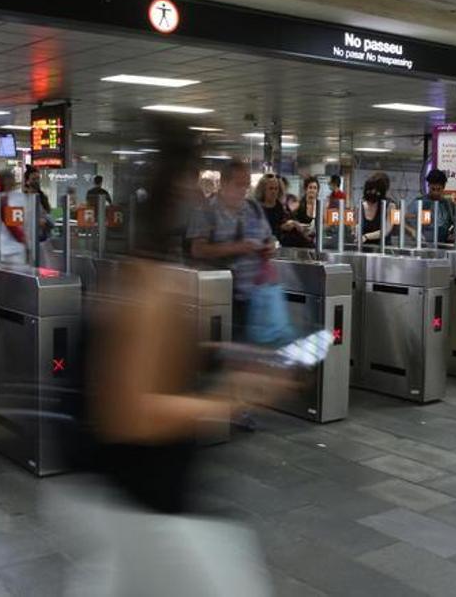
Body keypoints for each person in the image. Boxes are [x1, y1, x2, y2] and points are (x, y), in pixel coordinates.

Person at [90, 120, 285, 594]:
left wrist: (212, 351)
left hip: (142, 496)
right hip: (145, 496)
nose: (204, 195)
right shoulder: (155, 285)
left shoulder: (142, 271)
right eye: (196, 181)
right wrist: (230, 400)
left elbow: (146, 363)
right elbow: (131, 411)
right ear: (175, 185)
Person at [187, 161, 273, 338]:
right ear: (224, 183)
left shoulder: (254, 209)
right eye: (238, 184)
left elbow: (269, 238)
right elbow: (198, 249)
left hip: (255, 299)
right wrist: (236, 248)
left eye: (246, 185)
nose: (244, 190)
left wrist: (270, 247)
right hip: (221, 301)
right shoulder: (205, 211)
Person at [407, 169, 456, 244]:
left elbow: (454, 225)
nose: (435, 192)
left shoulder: (449, 205)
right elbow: (402, 220)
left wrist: (452, 233)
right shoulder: (419, 202)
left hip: (443, 247)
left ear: (444, 187)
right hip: (423, 246)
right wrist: (412, 231)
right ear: (428, 186)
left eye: (438, 189)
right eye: (433, 189)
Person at [255, 175, 296, 245]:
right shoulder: (257, 208)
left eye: (276, 189)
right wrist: (280, 228)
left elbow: (284, 221)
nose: (273, 191)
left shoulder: (279, 206)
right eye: (270, 188)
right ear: (263, 190)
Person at [358, 172, 396, 248]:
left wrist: (366, 236)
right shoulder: (361, 205)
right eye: (369, 191)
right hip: (364, 248)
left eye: (375, 191)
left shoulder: (391, 206)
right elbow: (355, 224)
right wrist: (355, 231)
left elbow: (386, 230)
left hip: (383, 249)